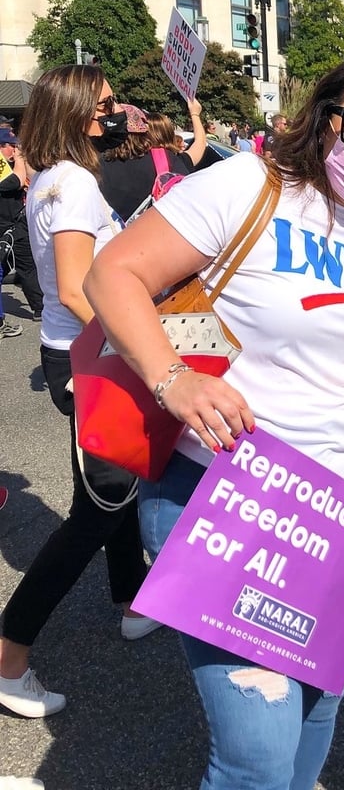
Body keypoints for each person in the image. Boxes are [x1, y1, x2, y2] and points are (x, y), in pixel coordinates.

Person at [83, 51, 344, 790]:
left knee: (318, 711)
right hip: (223, 499)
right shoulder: (250, 187)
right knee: (256, 759)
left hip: (343, 513)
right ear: (323, 119)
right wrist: (172, 378)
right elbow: (111, 273)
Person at [0, 65, 156, 720]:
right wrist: (147, 349)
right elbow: (72, 287)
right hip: (93, 360)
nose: (114, 114)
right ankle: (10, 658)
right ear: (74, 112)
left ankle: (130, 599)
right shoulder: (77, 185)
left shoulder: (52, 180)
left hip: (77, 354)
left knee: (109, 492)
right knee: (97, 509)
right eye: (104, 105)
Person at [100, 100, 207, 222]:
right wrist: (195, 114)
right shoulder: (166, 160)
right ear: (142, 128)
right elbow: (199, 145)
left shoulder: (94, 163)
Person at [0, 128, 42, 322]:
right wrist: (19, 160)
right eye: (8, 146)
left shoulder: (9, 165)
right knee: (27, 266)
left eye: (15, 145)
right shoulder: (8, 167)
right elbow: (15, 181)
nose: (13, 150)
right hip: (8, 227)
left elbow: (32, 180)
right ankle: (40, 307)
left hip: (16, 221)